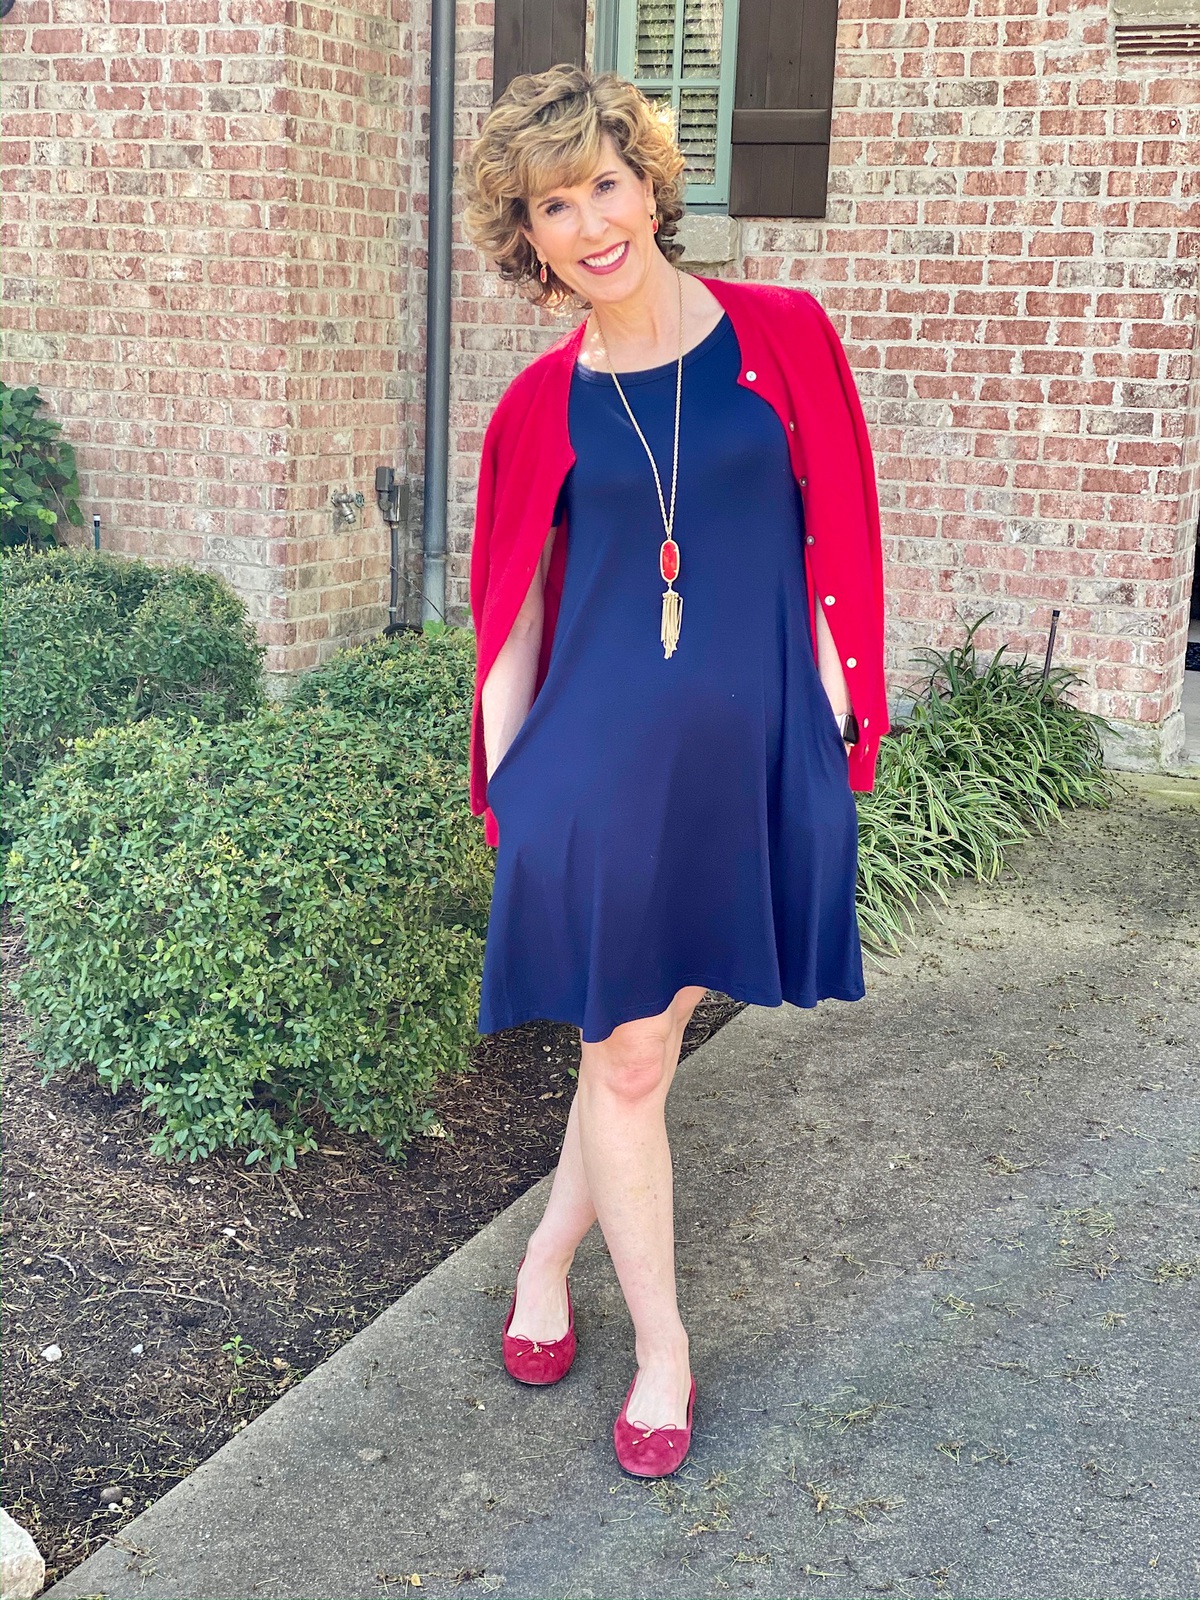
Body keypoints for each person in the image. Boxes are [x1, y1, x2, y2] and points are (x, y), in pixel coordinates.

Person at [461, 64, 888, 1478]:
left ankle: (542, 1261)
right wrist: (507, 789)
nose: (589, 223)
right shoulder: (536, 408)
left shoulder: (782, 335)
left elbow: (845, 531)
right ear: (526, 242)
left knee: (633, 1046)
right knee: (633, 1053)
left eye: (604, 184)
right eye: (551, 207)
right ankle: (664, 1354)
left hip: (747, 755)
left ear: (649, 184)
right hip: (594, 773)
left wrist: (839, 724)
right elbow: (510, 610)